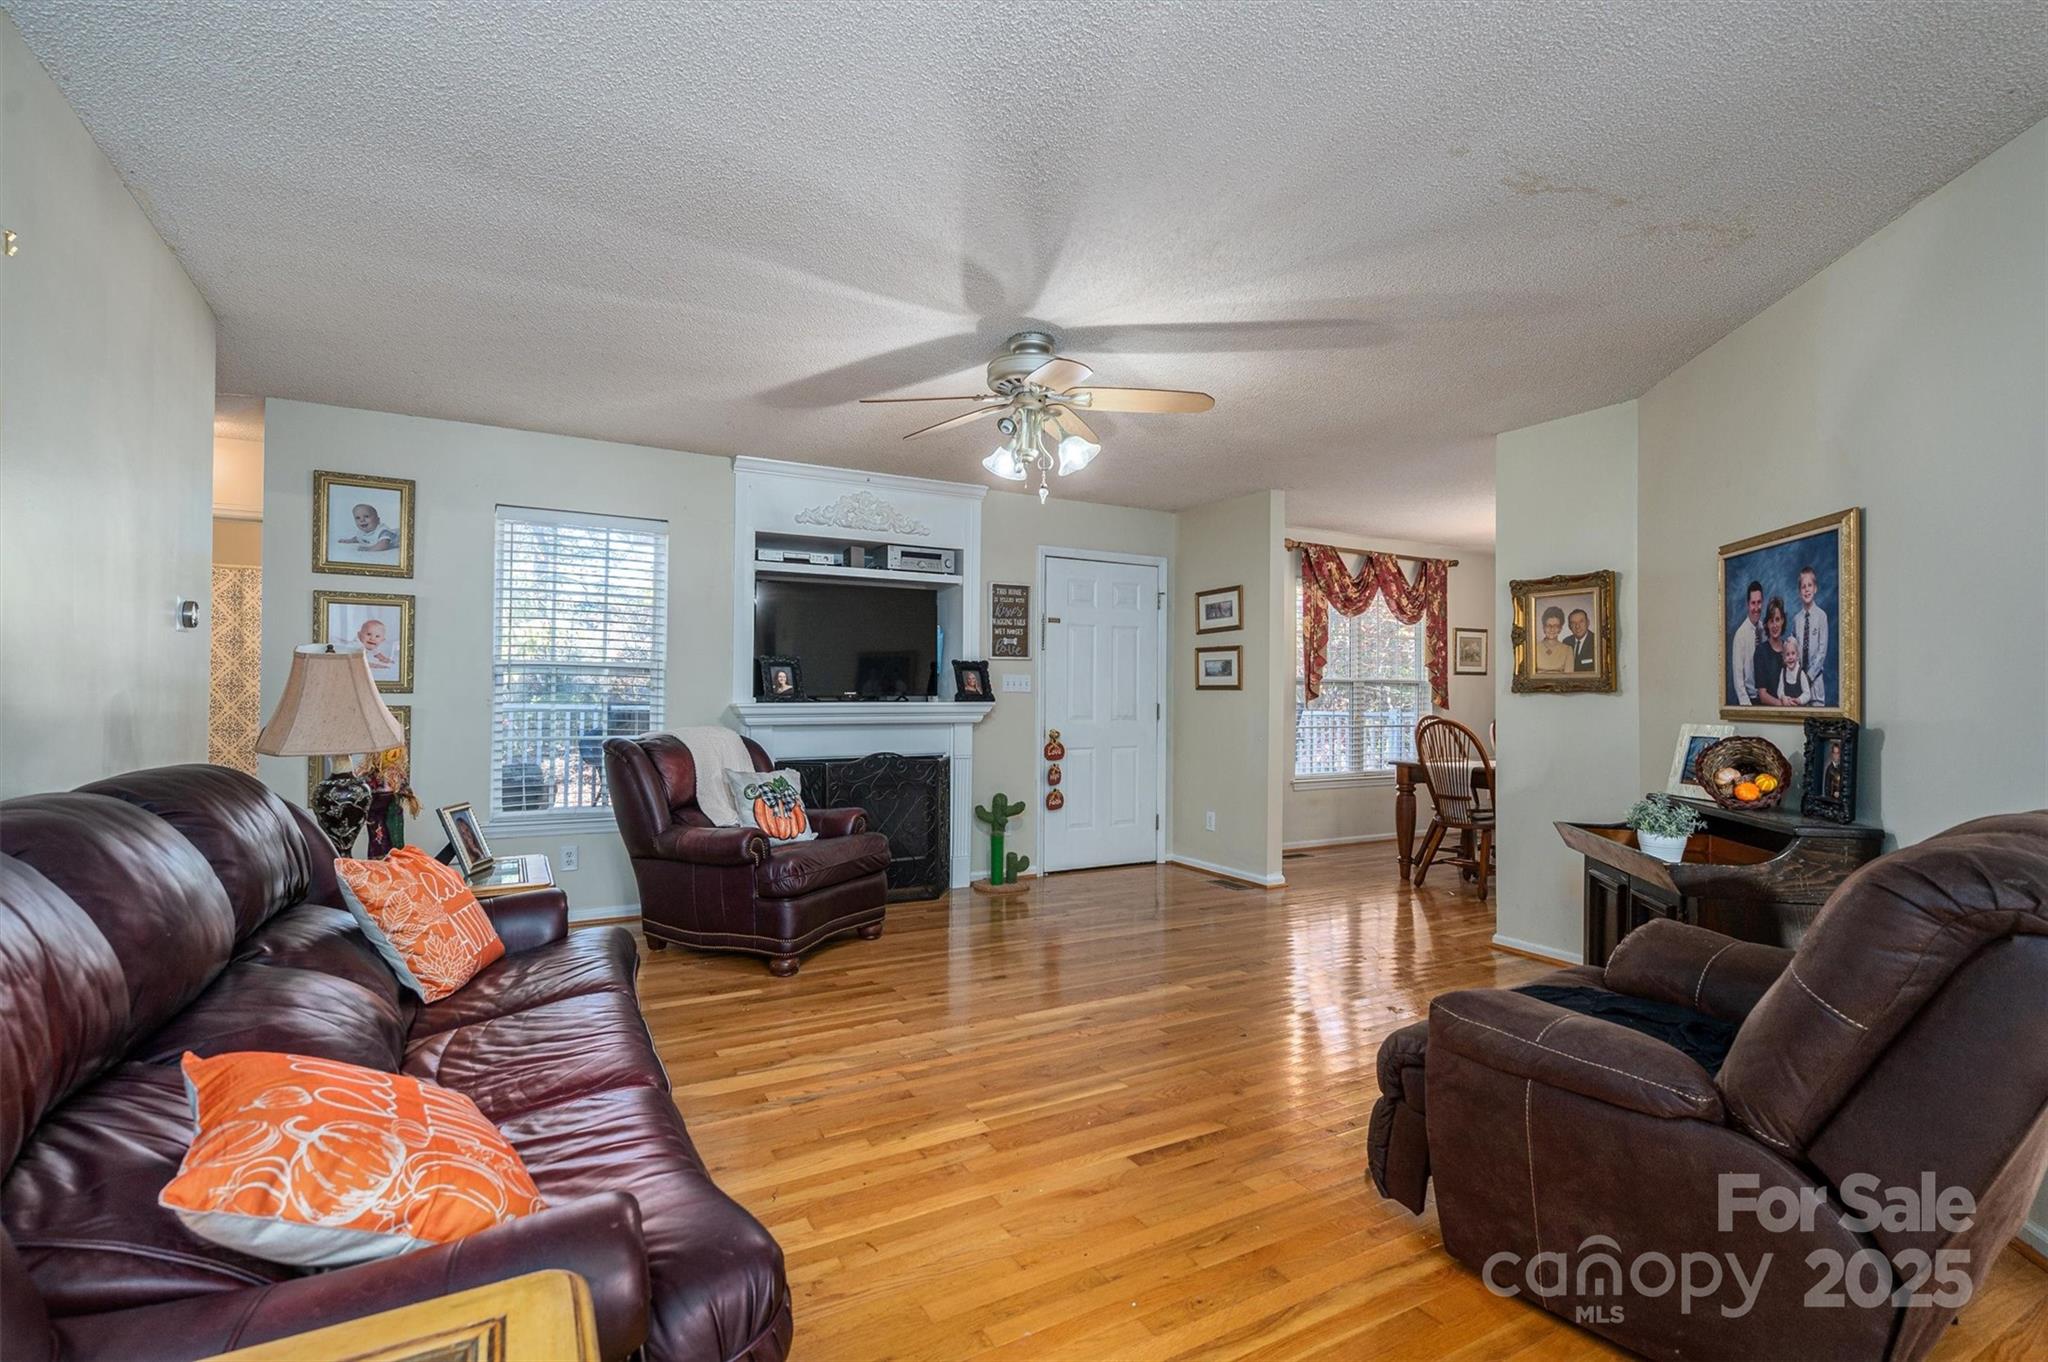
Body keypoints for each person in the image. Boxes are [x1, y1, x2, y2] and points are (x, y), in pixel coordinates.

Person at [1790, 565, 1829, 706]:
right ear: (1799, 591)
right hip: (1799, 686)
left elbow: (1822, 651)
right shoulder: (1796, 619)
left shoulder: (1821, 617)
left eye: (1809, 585)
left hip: (1815, 682)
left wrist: (1808, 677)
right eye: (1803, 587)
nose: (1806, 589)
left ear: (1815, 588)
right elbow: (1792, 646)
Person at [1730, 580, 1764, 704]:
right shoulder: (1740, 636)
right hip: (1749, 701)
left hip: (1766, 699)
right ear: (1747, 605)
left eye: (1759, 603)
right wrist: (1749, 709)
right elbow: (1739, 684)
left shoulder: (1764, 630)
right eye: (1753, 603)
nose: (1756, 608)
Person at [1753, 597, 1790, 704]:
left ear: (1782, 621)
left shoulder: (1789, 649)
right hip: (1770, 714)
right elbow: (1763, 696)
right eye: (1771, 620)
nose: (1774, 625)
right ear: (1767, 624)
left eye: (1777, 619)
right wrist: (1784, 706)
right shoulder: (1761, 652)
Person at [1773, 634, 1812, 706]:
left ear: (1797, 656)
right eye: (1787, 654)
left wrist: (1799, 700)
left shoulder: (1801, 674)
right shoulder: (1783, 672)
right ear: (1784, 658)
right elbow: (1780, 690)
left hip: (1800, 709)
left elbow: (1807, 694)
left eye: (1793, 653)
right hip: (1787, 706)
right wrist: (1783, 697)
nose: (1790, 657)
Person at [1534, 607, 1571, 673]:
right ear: (1543, 627)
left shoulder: (1567, 650)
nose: (1552, 629)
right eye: (1549, 625)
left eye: (1556, 626)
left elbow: (1569, 679)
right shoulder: (1534, 649)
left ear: (1560, 628)